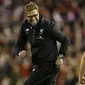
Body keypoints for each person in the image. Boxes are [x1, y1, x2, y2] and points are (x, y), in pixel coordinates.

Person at [14, 2, 69, 85]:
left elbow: (65, 40)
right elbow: (18, 45)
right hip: (37, 65)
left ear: (39, 13)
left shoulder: (48, 25)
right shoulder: (25, 26)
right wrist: (19, 51)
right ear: (26, 16)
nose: (33, 18)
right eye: (30, 16)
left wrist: (61, 56)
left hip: (50, 65)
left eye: (35, 15)